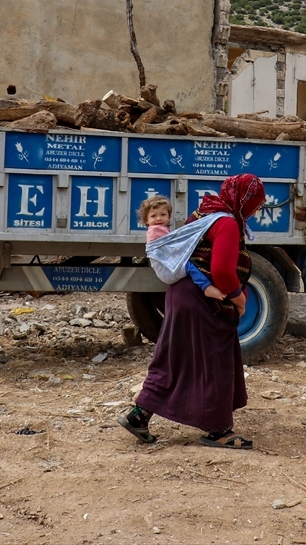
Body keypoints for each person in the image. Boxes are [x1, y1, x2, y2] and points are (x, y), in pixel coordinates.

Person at [121, 174, 266, 450]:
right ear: (244, 200)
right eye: (256, 203)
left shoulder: (205, 213)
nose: (256, 210)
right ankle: (219, 430)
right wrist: (238, 299)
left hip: (181, 294)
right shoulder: (226, 223)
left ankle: (138, 416)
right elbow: (222, 270)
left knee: (175, 358)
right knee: (215, 361)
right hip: (202, 301)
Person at [141, 195, 225, 301]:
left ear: (169, 216)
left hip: (166, 271)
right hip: (167, 270)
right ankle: (206, 287)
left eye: (163, 214)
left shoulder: (161, 229)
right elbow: (178, 241)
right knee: (190, 266)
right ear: (146, 220)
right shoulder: (155, 230)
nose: (158, 219)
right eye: (153, 216)